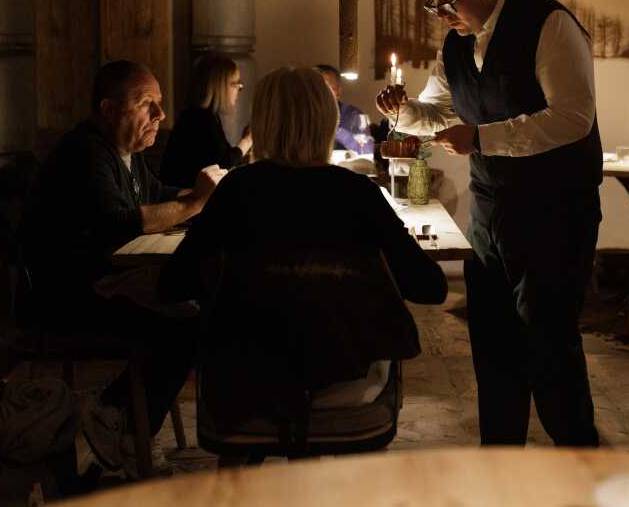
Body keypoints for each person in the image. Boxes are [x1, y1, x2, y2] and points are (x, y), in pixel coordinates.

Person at [376, 0, 603, 447]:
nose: (441, 16)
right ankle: (500, 467)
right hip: (489, 213)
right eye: (432, 7)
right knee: (495, 350)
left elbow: (572, 117)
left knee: (550, 350)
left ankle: (581, 464)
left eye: (446, 3)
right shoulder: (455, 45)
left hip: (555, 213)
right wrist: (403, 112)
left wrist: (482, 137)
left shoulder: (549, 24)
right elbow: (438, 113)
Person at [158, 66, 446, 435]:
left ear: (261, 122)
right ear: (329, 119)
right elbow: (431, 288)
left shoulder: (235, 191)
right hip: (345, 381)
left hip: (248, 377)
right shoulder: (358, 194)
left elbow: (174, 284)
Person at [21, 60, 226, 475]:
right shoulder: (87, 151)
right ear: (110, 110)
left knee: (191, 306)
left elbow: (156, 195)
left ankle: (126, 425)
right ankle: (115, 418)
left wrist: (210, 195)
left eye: (160, 104)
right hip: (69, 296)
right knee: (184, 322)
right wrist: (194, 203)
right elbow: (117, 224)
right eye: (146, 104)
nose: (160, 116)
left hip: (104, 280)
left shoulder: (125, 153)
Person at [160, 53, 252, 187]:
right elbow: (222, 162)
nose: (239, 89)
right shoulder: (199, 119)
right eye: (235, 84)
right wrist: (248, 140)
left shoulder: (206, 116)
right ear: (219, 86)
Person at [315, 64, 374, 154]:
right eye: (316, 90)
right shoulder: (303, 117)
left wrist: (336, 130)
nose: (321, 95)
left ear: (338, 91)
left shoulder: (353, 115)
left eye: (328, 89)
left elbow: (367, 151)